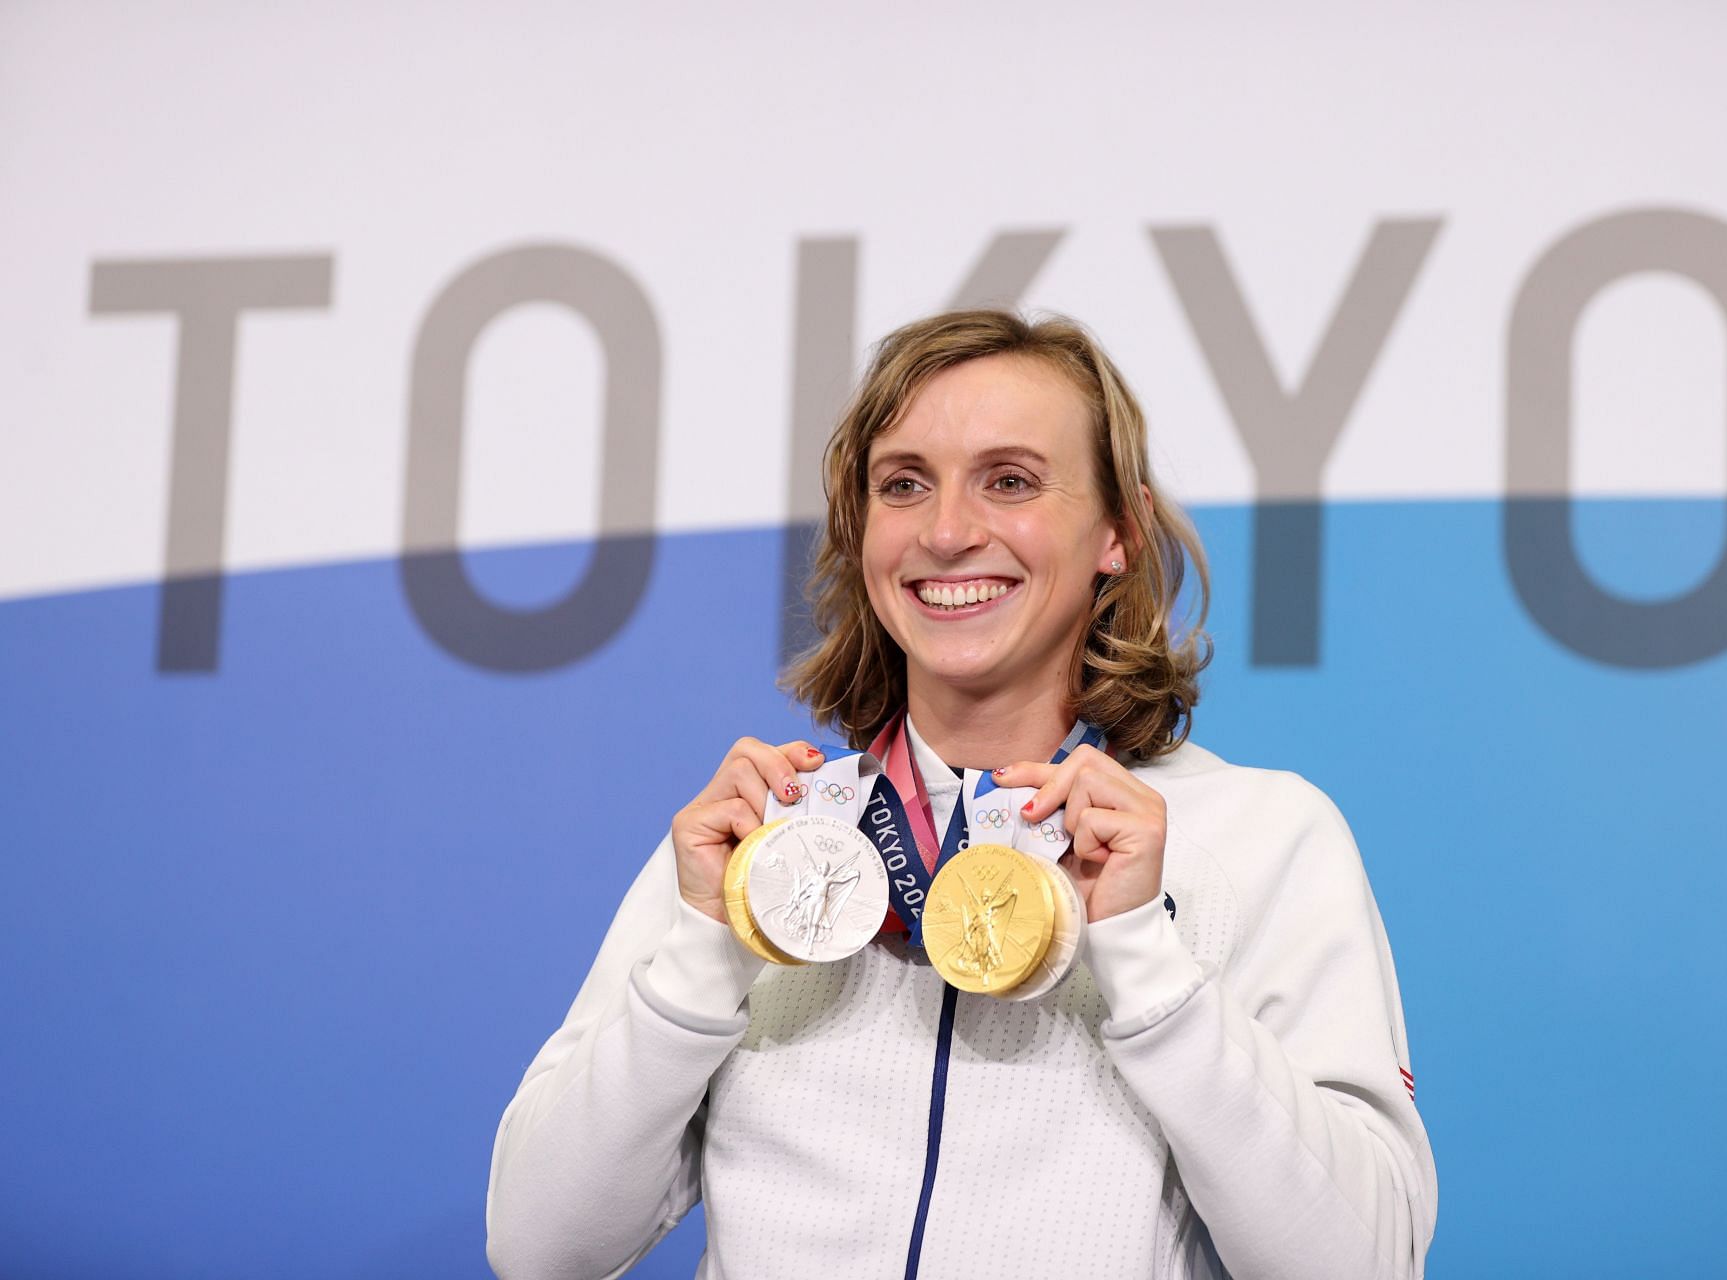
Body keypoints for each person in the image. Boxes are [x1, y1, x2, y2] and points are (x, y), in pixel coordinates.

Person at [485, 310, 1437, 1279]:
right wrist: (704, 949)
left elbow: (1365, 1260)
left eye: (1011, 480)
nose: (946, 531)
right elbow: (539, 1248)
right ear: (864, 534)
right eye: (904, 484)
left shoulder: (1262, 835)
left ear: (1119, 530)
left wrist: (1149, 959)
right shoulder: (767, 847)